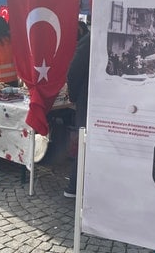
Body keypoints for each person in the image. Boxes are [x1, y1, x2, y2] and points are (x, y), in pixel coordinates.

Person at [64, 32, 90, 198]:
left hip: (88, 98)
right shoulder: (91, 38)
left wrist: (73, 95)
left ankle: (75, 186)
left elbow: (75, 70)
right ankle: (75, 186)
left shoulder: (91, 37)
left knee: (86, 142)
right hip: (90, 98)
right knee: (86, 141)